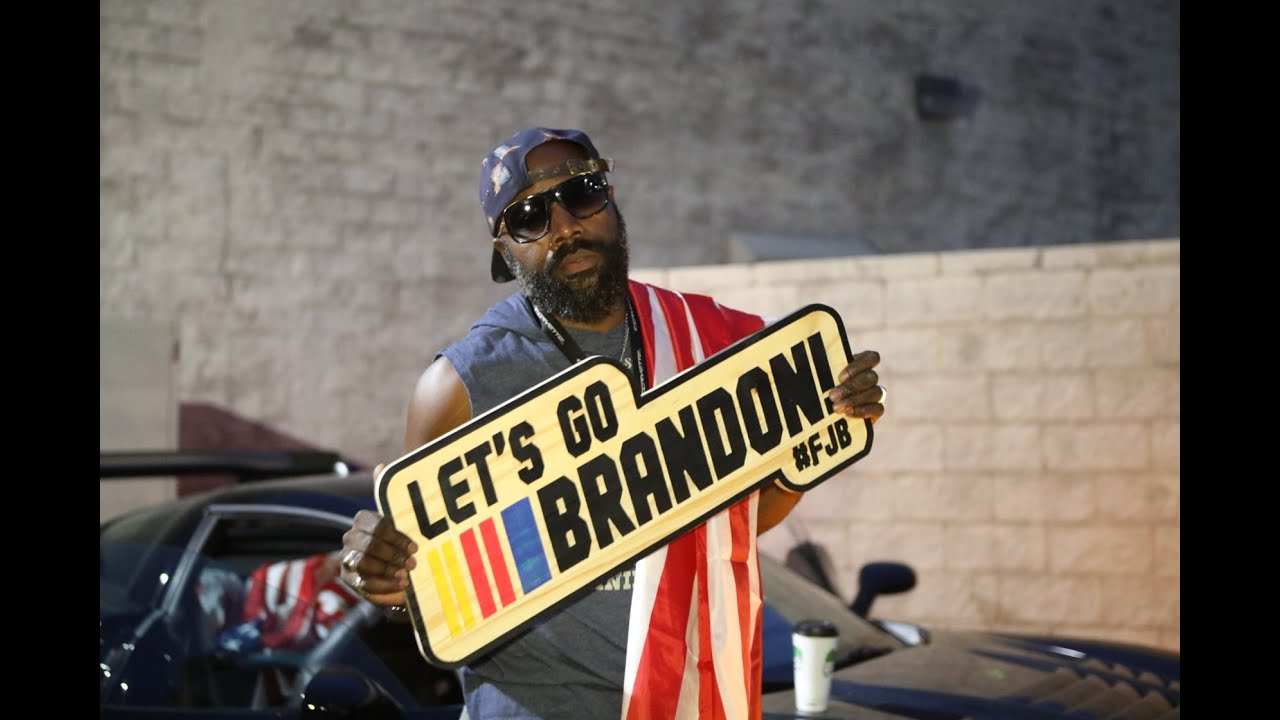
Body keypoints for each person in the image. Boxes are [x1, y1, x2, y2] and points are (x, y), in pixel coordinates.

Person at [339, 127, 886, 720]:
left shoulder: (708, 341)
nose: (565, 227)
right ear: (504, 248)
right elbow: (423, 596)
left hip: (691, 699)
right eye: (529, 217)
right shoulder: (458, 386)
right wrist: (385, 582)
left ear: (611, 199)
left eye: (581, 194)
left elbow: (730, 522)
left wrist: (818, 428)